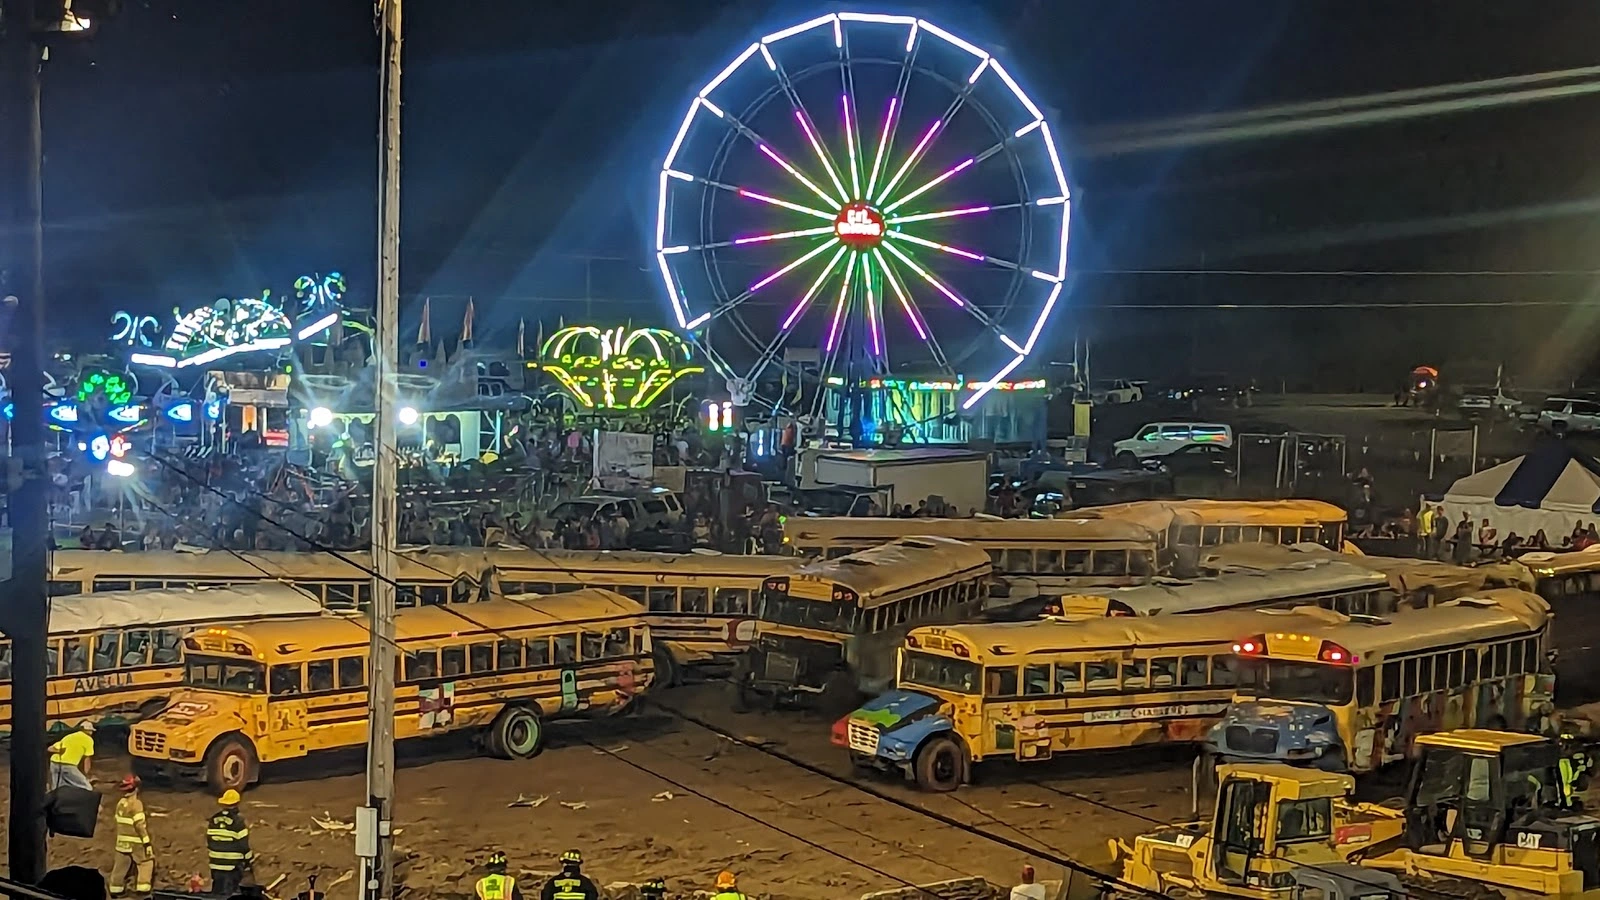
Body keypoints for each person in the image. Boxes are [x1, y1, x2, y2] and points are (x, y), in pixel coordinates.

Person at [110, 775, 154, 898]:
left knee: (120, 866)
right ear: (136, 789)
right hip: (136, 842)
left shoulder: (120, 804)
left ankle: (116, 889)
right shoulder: (136, 804)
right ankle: (143, 889)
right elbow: (139, 826)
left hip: (121, 842)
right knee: (145, 862)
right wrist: (146, 843)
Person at [207, 789, 255, 896]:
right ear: (237, 803)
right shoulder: (238, 822)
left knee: (217, 893)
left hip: (215, 864)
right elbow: (243, 846)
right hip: (232, 867)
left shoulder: (213, 819)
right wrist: (249, 860)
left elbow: (210, 841)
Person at [48, 721, 95, 791]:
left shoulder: (69, 737)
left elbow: (50, 748)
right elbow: (87, 760)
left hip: (54, 764)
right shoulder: (88, 740)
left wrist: (60, 751)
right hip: (68, 766)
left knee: (57, 789)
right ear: (88, 731)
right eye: (91, 731)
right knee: (87, 787)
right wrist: (86, 774)